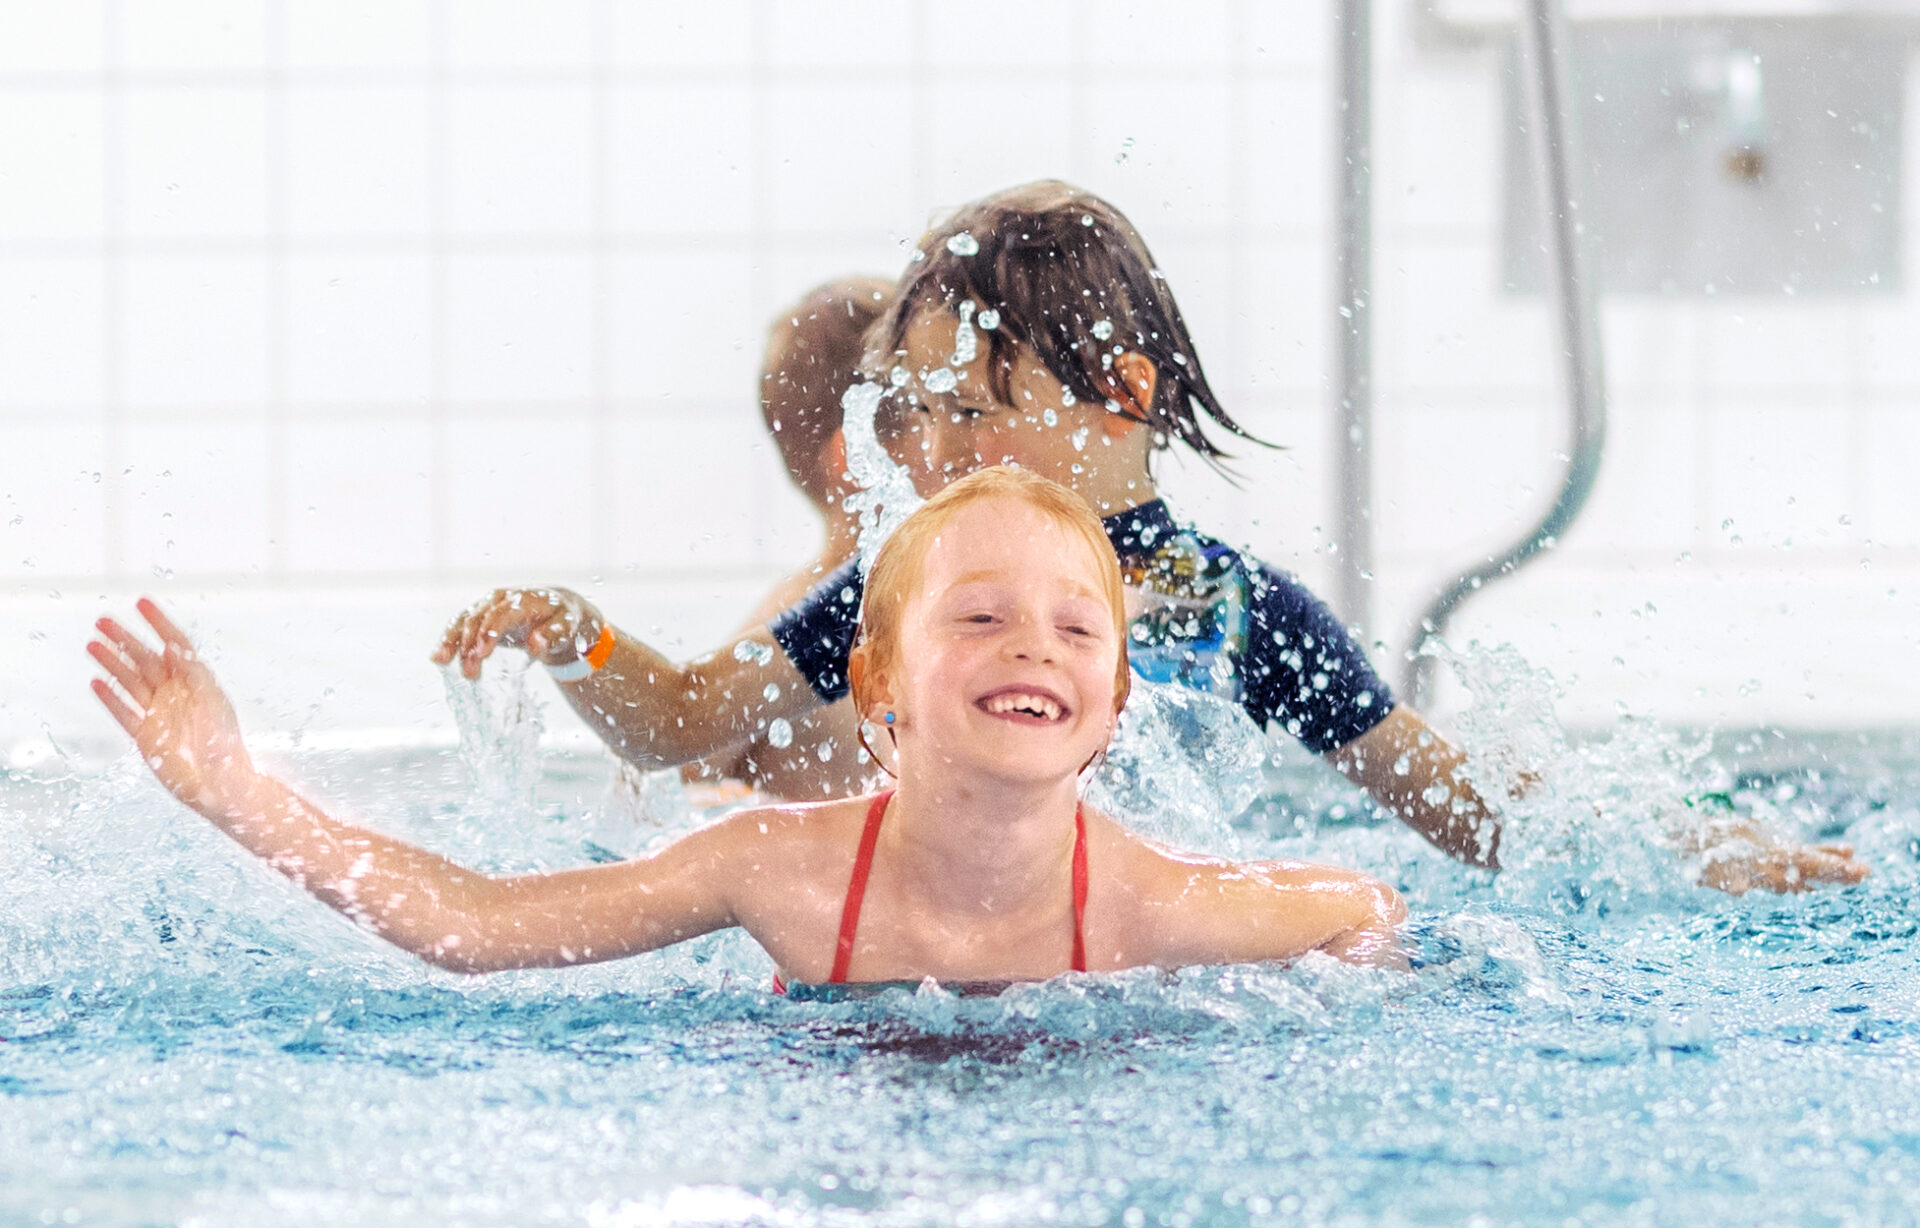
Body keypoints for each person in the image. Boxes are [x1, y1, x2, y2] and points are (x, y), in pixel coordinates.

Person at [435, 180, 1864, 896]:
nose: (931, 457)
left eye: (975, 412)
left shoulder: (1231, 613)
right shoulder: (900, 590)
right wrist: (583, 637)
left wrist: (1693, 852)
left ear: (1118, 394)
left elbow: (1462, 803)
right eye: (916, 421)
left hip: (1145, 984)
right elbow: (679, 721)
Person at [87, 469, 1407, 987]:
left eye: (1077, 629)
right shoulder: (780, 867)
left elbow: (1355, 900)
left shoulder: (1141, 902)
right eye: (983, 616)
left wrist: (1366, 981)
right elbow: (479, 928)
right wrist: (227, 784)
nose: (1032, 648)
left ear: (1115, 705)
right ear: (878, 679)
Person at [680, 276, 903, 801]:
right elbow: (666, 780)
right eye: (934, 416)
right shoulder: (785, 644)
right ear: (858, 459)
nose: (960, 448)